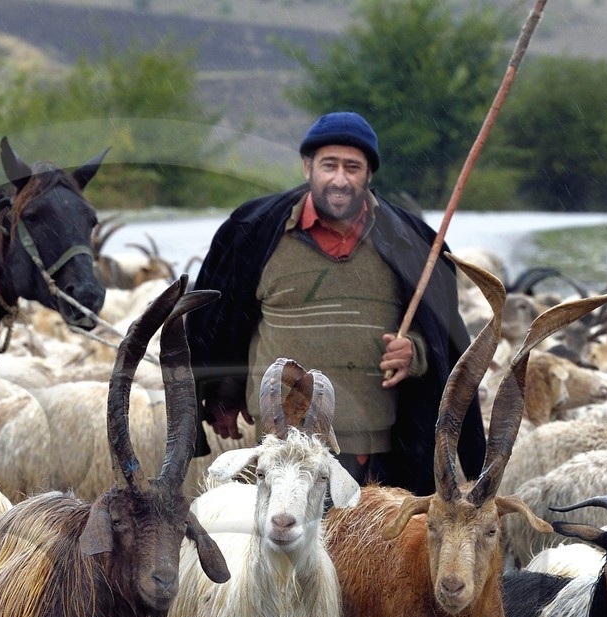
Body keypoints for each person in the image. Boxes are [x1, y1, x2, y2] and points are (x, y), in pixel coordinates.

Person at [188, 111, 485, 491]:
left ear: (369, 175)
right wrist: (220, 395)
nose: (340, 179)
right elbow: (220, 320)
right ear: (308, 167)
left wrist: (416, 353)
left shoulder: (413, 241)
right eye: (329, 165)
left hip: (374, 444)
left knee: (366, 547)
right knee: (276, 543)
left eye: (353, 167)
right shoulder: (252, 230)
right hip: (277, 443)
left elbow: (444, 335)